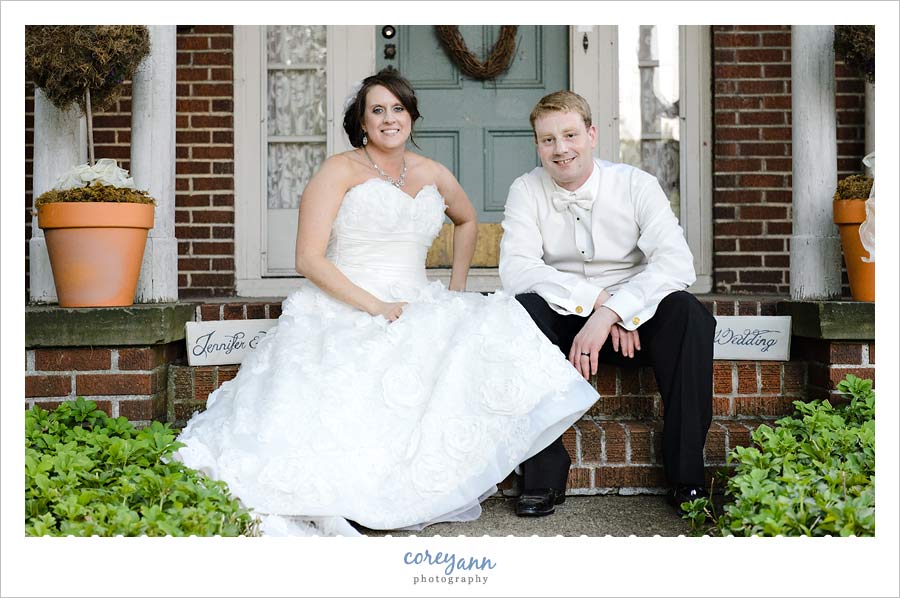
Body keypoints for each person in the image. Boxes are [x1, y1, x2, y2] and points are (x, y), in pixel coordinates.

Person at [173, 69, 599, 536]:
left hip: (419, 301)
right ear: (361, 122)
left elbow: (467, 221)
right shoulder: (338, 170)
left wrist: (454, 291)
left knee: (497, 324)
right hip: (347, 302)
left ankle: (539, 469)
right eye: (377, 110)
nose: (389, 118)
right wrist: (375, 306)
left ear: (412, 117)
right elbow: (308, 259)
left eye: (398, 108)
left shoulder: (431, 172)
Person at [499, 90, 716, 517]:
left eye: (570, 135)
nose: (561, 149)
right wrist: (598, 303)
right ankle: (542, 473)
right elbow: (517, 270)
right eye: (548, 140)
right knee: (520, 310)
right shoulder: (525, 190)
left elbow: (677, 262)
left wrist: (619, 311)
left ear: (592, 134)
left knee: (690, 314)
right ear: (537, 144)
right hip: (566, 323)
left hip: (639, 325)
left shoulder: (636, 185)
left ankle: (687, 476)